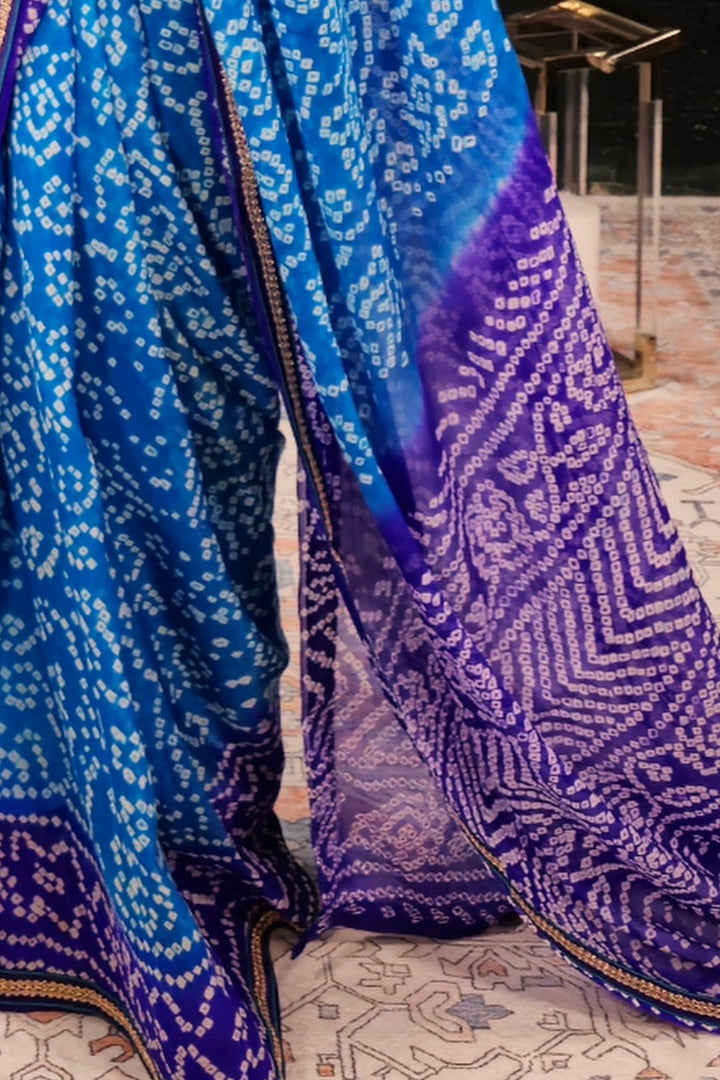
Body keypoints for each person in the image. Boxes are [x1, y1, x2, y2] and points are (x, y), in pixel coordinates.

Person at [1, 1, 719, 1078]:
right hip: (100, 40)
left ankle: (596, 794)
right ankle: (169, 849)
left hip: (364, 29)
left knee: (481, 424)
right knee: (134, 468)